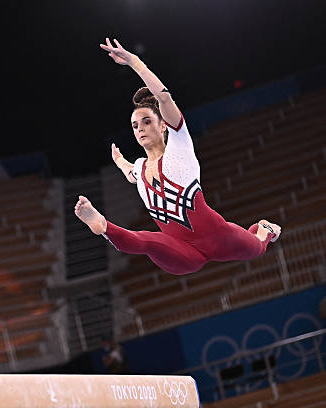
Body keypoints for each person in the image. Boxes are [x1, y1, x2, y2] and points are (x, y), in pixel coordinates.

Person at [74, 38, 281, 275]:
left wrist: (135, 63)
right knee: (147, 241)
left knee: (257, 248)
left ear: (163, 125)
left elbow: (164, 98)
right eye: (134, 125)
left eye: (146, 121)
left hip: (219, 238)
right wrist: (120, 161)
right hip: (181, 253)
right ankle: (103, 226)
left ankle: (264, 229)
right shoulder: (140, 169)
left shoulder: (179, 147)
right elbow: (131, 174)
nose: (140, 128)